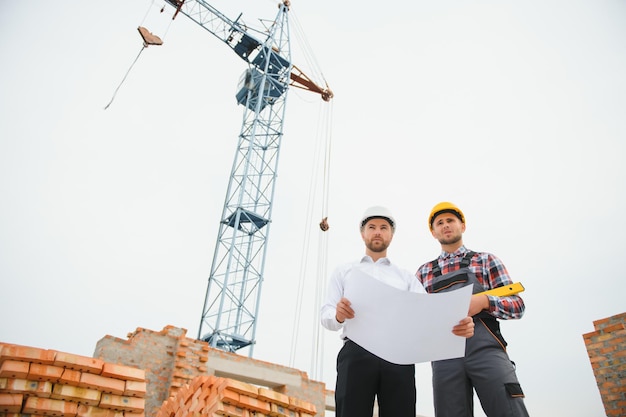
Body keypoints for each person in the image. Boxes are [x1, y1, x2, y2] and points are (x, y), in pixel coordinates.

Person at [321, 206, 475, 417]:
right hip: (356, 353)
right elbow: (326, 315)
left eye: (384, 227)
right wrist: (338, 315)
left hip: (398, 356)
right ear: (362, 233)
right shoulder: (344, 271)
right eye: (372, 227)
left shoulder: (406, 278)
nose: (377, 232)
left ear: (391, 235)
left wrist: (457, 326)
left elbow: (427, 315)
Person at [416, 201, 529, 417]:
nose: (445, 225)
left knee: (508, 410)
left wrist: (485, 301)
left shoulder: (485, 261)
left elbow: (517, 305)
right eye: (440, 223)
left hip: (486, 351)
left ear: (463, 226)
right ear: (433, 232)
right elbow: (417, 319)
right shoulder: (424, 273)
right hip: (444, 355)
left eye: (450, 220)